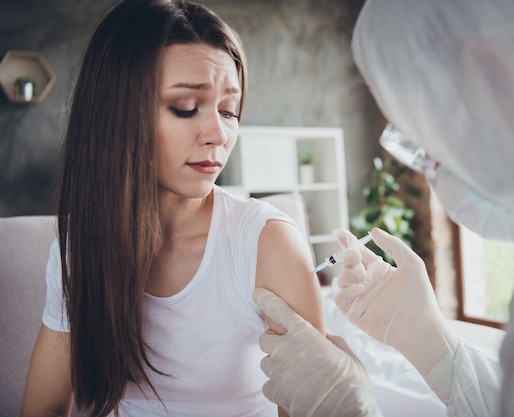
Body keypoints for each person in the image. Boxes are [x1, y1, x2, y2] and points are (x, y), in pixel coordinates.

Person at [253, 0, 514, 416]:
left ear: (490, 75)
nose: (435, 175)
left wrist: (347, 407)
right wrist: (432, 346)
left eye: (424, 148)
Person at [20, 1, 324, 416]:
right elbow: (44, 406)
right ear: (117, 115)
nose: (219, 133)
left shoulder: (268, 243)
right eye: (185, 107)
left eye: (229, 110)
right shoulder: (80, 247)